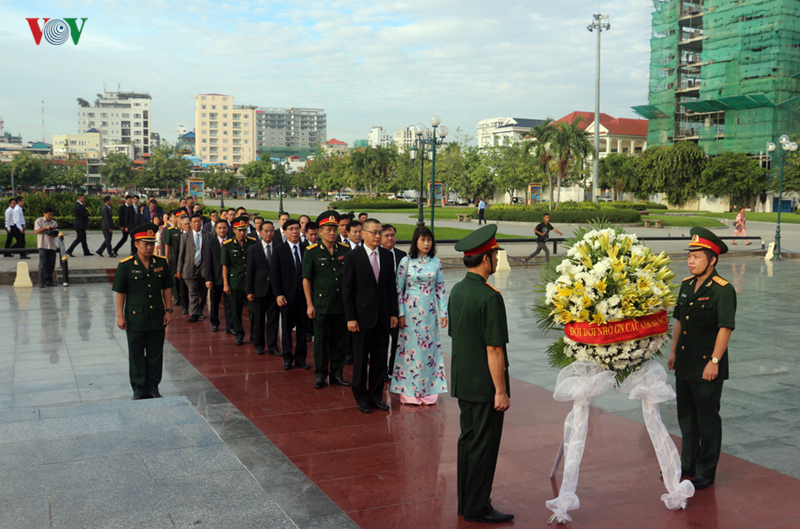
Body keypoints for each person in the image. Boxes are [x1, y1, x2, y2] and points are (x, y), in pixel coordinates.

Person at [449, 224, 513, 524]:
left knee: (468, 442)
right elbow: (494, 349)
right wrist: (500, 390)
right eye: (495, 255)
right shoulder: (490, 297)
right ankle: (478, 506)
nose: (497, 260)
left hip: (464, 380)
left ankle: (467, 501)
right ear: (486, 259)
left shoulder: (458, 289)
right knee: (484, 447)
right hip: (485, 384)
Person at [668, 227, 736, 491]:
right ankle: (688, 467)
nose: (691, 260)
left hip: (707, 365)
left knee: (707, 419)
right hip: (685, 363)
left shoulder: (723, 290)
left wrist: (715, 362)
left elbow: (725, 328)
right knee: (686, 417)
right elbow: (679, 321)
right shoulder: (686, 286)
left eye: (697, 256)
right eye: (690, 255)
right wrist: (673, 352)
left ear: (713, 259)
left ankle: (706, 471)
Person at [342, 218, 399, 414]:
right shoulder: (352, 256)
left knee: (379, 360)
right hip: (361, 318)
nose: (377, 236)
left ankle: (376, 397)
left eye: (379, 232)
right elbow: (347, 290)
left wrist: (393, 313)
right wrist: (351, 318)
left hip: (383, 317)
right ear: (363, 234)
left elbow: (390, 286)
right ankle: (361, 396)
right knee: (360, 360)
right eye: (373, 232)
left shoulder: (386, 255)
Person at [112, 223, 174, 400]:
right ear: (136, 244)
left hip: (157, 316)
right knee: (136, 354)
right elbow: (121, 292)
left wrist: (168, 310)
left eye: (152, 243)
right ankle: (139, 389)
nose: (149, 247)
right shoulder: (126, 265)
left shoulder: (161, 263)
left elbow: (167, 288)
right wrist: (120, 315)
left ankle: (153, 387)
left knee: (155, 354)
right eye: (145, 243)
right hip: (135, 318)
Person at [391, 226, 448, 405]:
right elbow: (398, 289)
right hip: (409, 312)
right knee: (410, 351)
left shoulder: (436, 262)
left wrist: (443, 312)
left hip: (429, 313)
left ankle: (428, 389)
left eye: (429, 240)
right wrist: (400, 313)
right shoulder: (406, 261)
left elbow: (440, 289)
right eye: (422, 240)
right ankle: (409, 390)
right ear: (415, 242)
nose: (426, 244)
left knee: (428, 351)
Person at [303, 211, 352, 389]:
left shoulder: (344, 250)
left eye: (334, 229)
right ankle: (321, 374)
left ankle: (337, 373)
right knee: (321, 342)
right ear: (320, 231)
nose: (332, 233)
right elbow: (306, 279)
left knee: (339, 342)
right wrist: (309, 304)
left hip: (340, 304)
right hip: (321, 305)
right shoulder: (312, 252)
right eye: (328, 229)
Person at [270, 219, 310, 369]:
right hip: (286, 296)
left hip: (303, 296)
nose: (295, 231)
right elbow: (275, 273)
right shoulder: (279, 249)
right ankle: (287, 357)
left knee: (303, 328)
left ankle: (301, 358)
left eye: (297, 229)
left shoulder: (307, 248)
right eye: (291, 229)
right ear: (285, 232)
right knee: (286, 328)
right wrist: (278, 294)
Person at [222, 216, 258, 346]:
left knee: (253, 311)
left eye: (244, 229)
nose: (242, 232)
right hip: (235, 281)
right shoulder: (228, 245)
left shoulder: (253, 242)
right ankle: (239, 334)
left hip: (250, 282)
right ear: (234, 230)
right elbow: (225, 266)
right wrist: (226, 283)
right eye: (239, 230)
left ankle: (254, 335)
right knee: (236, 310)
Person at [246, 221, 280, 355]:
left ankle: (272, 345)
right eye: (266, 231)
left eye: (271, 231)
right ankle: (259, 344)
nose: (269, 233)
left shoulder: (278, 247)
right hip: (259, 289)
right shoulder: (254, 249)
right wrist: (249, 290)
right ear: (260, 232)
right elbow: (250, 270)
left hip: (274, 290)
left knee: (273, 319)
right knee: (259, 319)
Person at [381, 224, 407, 381]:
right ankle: (382, 371)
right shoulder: (379, 255)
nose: (390, 238)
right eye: (386, 235)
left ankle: (394, 369)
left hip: (400, 305)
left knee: (399, 341)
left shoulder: (402, 255)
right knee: (382, 342)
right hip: (384, 305)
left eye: (392, 235)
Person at [177, 213, 213, 322]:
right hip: (189, 268)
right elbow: (181, 254)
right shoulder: (185, 236)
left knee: (202, 292)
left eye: (199, 222)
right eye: (195, 222)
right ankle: (193, 313)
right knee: (193, 292)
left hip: (204, 269)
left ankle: (199, 311)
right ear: (191, 224)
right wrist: (179, 269)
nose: (197, 224)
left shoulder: (208, 235)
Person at [204, 219, 234, 334]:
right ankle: (215, 323)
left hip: (229, 279)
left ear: (228, 229)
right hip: (215, 278)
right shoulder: (210, 243)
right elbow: (208, 262)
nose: (222, 230)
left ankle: (230, 326)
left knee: (229, 304)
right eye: (220, 228)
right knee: (214, 302)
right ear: (215, 229)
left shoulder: (232, 242)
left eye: (224, 228)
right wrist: (208, 279)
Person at [162, 210, 185, 307]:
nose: (182, 219)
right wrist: (166, 257)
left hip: (185, 257)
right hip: (174, 257)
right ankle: (176, 297)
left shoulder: (187, 230)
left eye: (184, 217)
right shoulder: (171, 230)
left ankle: (183, 296)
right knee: (174, 278)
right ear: (176, 218)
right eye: (180, 218)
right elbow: (167, 245)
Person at [34, 207, 59, 288]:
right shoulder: (39, 221)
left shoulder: (54, 223)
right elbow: (36, 231)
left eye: (51, 214)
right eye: (49, 214)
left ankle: (49, 281)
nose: (50, 216)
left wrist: (54, 234)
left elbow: (56, 233)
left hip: (52, 246)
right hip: (43, 245)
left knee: (51, 264)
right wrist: (45, 228)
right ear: (44, 214)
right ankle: (41, 281)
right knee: (43, 264)